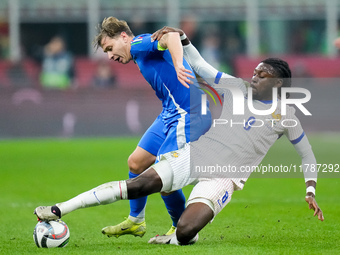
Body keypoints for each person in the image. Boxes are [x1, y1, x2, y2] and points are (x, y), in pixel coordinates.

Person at [34, 27, 324, 245]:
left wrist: (310, 190)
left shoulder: (286, 116)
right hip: (199, 154)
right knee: (138, 183)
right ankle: (60, 209)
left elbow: (307, 154)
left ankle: (176, 234)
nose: (254, 76)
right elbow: (199, 66)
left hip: (224, 178)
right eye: (256, 71)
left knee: (186, 232)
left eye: (262, 75)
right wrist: (183, 38)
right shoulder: (237, 87)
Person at [90, 17, 212, 238]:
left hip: (189, 113)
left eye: (110, 48)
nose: (110, 56)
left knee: (166, 173)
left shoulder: (138, 44)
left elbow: (172, 35)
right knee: (135, 163)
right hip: (170, 113)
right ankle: (136, 221)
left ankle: (182, 228)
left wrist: (177, 64)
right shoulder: (136, 53)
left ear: (124, 37)